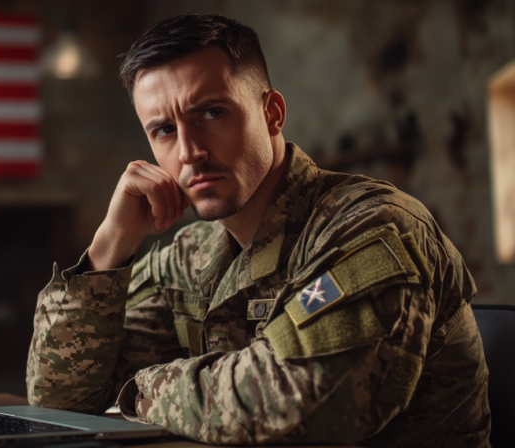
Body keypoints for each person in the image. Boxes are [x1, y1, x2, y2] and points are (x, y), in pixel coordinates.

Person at [26, 13, 490, 447]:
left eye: (211, 113)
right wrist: (110, 245)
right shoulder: (191, 254)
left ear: (272, 113)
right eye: (164, 129)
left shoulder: (372, 226)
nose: (189, 152)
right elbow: (58, 395)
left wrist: (142, 388)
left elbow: (306, 406)